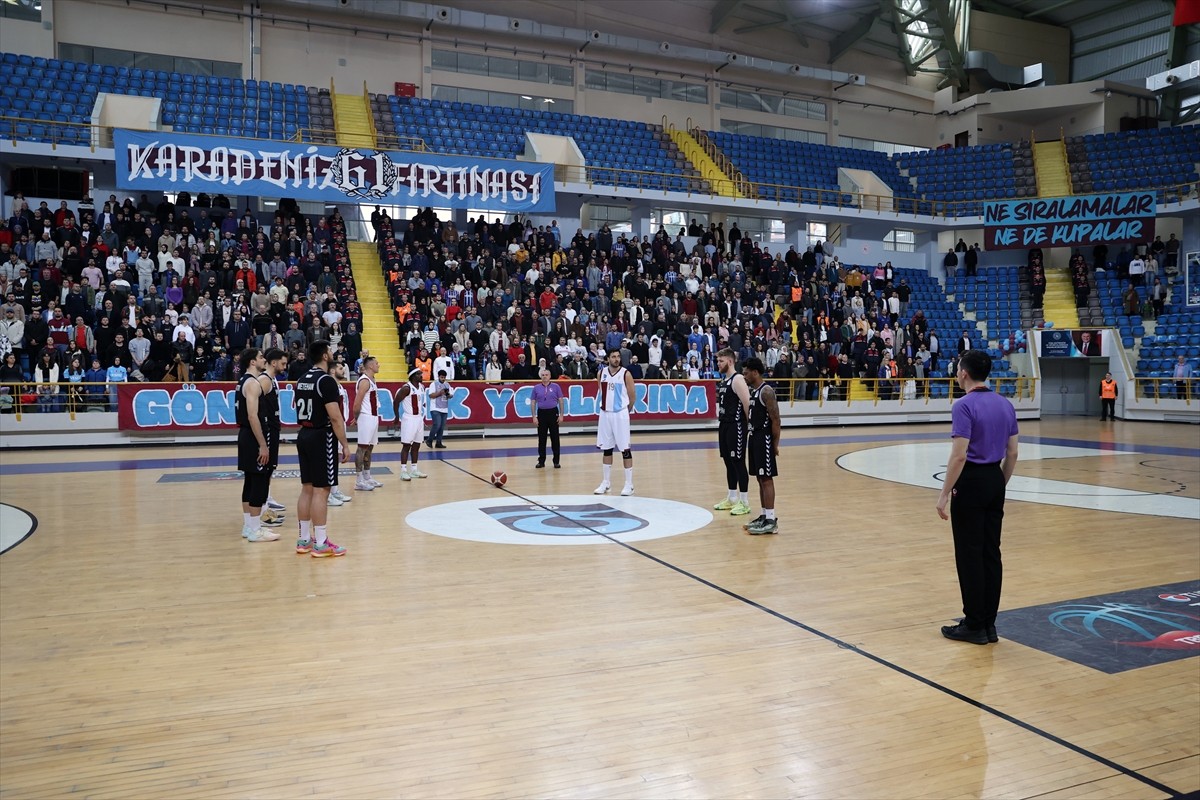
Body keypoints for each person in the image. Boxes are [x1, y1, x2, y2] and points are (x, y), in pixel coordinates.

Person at [936, 349, 1019, 645]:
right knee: (990, 553)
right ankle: (988, 623)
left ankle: (973, 624)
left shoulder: (963, 405)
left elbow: (959, 456)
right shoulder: (1005, 404)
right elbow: (1012, 453)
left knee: (969, 555)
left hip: (970, 481)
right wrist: (999, 483)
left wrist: (944, 494)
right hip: (995, 479)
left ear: (964, 373)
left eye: (959, 369)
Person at [293, 340, 351, 558]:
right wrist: (344, 444)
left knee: (306, 488)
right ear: (325, 356)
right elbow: (335, 417)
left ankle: (304, 539)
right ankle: (320, 543)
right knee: (322, 489)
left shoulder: (302, 379)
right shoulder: (326, 381)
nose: (332, 352)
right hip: (321, 435)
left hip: (304, 433)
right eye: (330, 349)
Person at [234, 348, 281, 543]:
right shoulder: (253, 383)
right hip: (253, 436)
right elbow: (253, 416)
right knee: (259, 482)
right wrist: (263, 444)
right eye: (261, 357)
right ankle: (255, 529)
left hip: (245, 434)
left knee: (250, 481)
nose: (264, 360)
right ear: (253, 362)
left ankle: (248, 526)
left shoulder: (241, 382)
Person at [741, 357, 780, 535]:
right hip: (754, 438)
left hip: (764, 439)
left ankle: (771, 520)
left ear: (755, 372)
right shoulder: (754, 391)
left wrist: (775, 444)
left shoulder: (767, 391)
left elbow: (776, 420)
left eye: (746, 372)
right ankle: (764, 515)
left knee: (766, 479)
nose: (744, 375)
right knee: (759, 478)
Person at [713, 348, 752, 516]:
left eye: (720, 361)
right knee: (728, 462)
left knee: (738, 462)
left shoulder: (738, 380)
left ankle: (744, 501)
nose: (718, 364)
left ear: (729, 361)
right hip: (724, 425)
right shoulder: (725, 380)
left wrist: (747, 427)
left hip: (736, 425)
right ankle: (732, 497)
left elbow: (747, 404)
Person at [594, 349, 636, 496]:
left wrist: (624, 412)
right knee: (607, 448)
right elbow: (602, 393)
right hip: (605, 414)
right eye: (613, 357)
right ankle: (606, 482)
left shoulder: (626, 374)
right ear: (608, 359)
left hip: (620, 414)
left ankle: (629, 484)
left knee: (625, 449)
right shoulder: (601, 373)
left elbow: (632, 398)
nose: (616, 359)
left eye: (618, 357)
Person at [351, 355, 384, 492]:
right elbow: (357, 402)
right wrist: (356, 417)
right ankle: (359, 480)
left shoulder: (372, 380)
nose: (378, 365)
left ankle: (367, 476)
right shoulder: (364, 381)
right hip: (366, 416)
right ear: (370, 366)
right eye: (376, 363)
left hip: (373, 416)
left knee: (369, 448)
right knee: (361, 449)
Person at [394, 367, 429, 481]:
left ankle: (414, 469)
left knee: (417, 445)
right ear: (413, 376)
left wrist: (422, 416)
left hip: (418, 419)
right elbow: (396, 401)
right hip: (409, 419)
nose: (421, 375)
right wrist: (397, 416)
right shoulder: (406, 388)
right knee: (406, 445)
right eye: (419, 374)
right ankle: (403, 471)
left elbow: (421, 404)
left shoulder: (422, 387)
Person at [531, 367, 565, 468]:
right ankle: (541, 461)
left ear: (550, 376)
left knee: (555, 438)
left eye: (546, 375)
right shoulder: (536, 388)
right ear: (540, 376)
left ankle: (556, 461)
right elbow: (533, 402)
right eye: (543, 375)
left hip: (553, 413)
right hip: (541, 413)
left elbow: (561, 401)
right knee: (542, 438)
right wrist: (534, 416)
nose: (544, 377)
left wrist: (561, 415)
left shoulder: (556, 387)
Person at [427, 368, 452, 448]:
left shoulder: (447, 384)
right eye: (441, 377)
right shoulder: (433, 384)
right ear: (438, 377)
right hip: (435, 408)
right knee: (437, 424)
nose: (443, 379)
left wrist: (448, 395)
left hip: (444, 408)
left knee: (441, 426)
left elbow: (451, 395)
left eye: (444, 377)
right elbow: (431, 395)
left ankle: (438, 442)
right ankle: (429, 440)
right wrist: (440, 393)